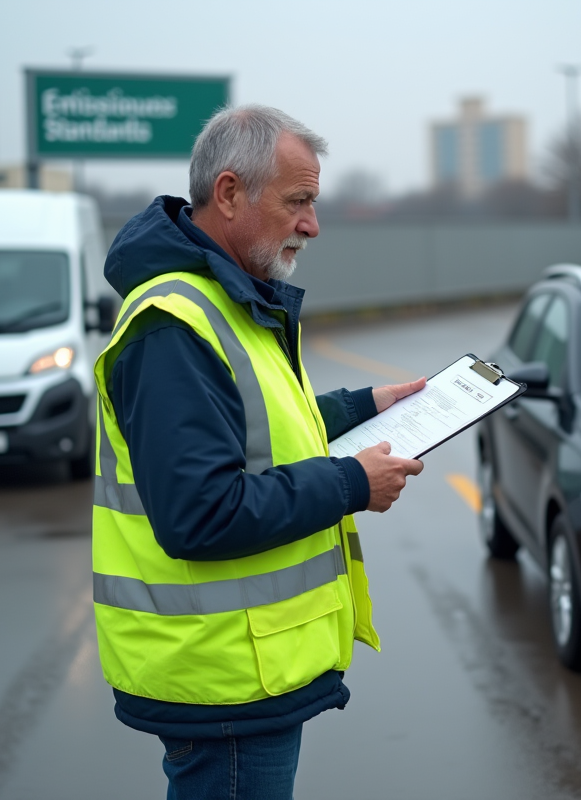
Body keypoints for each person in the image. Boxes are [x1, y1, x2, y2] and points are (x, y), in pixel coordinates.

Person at [91, 104, 425, 799]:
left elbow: (253, 430)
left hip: (243, 671)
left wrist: (361, 407)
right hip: (224, 682)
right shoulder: (173, 326)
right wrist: (351, 484)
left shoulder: (226, 298)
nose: (312, 224)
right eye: (298, 201)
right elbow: (201, 513)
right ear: (230, 193)